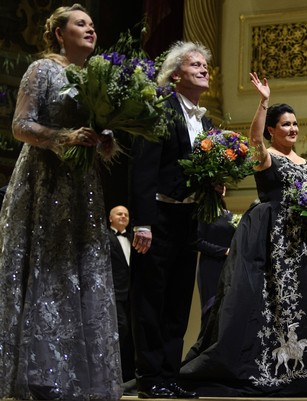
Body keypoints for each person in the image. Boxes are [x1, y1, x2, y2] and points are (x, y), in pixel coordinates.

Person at [179, 72, 307, 397]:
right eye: (285, 124)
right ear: (272, 129)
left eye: (295, 124)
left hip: (301, 240)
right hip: (273, 239)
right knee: (270, 301)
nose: (292, 129)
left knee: (300, 300)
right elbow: (253, 139)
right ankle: (266, 371)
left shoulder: (305, 162)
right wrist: (263, 102)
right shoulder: (267, 158)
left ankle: (303, 373)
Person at [0, 4, 122, 400]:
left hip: (82, 186)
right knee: (48, 266)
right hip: (45, 182)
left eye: (92, 24)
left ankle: (78, 376)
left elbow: (106, 144)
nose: (91, 29)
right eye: (81, 24)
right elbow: (21, 126)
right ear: (59, 33)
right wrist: (65, 137)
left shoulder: (95, 78)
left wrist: (104, 142)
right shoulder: (42, 70)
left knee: (82, 269)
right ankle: (41, 373)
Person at [129, 40, 213, 399]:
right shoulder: (160, 109)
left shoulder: (205, 118)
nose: (204, 69)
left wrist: (214, 184)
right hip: (159, 216)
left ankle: (169, 374)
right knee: (151, 299)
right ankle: (149, 378)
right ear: (176, 74)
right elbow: (144, 168)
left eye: (205, 65)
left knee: (179, 300)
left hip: (188, 218)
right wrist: (142, 222)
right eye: (195, 64)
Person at [194, 186, 236, 336]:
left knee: (228, 312)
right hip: (211, 267)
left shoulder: (231, 215)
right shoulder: (203, 213)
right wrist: (224, 251)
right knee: (212, 312)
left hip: (230, 267)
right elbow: (197, 241)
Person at [108, 205, 136, 391]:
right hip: (114, 291)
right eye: (120, 214)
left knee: (133, 334)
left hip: (133, 293)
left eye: (126, 214)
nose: (123, 216)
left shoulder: (134, 237)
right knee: (120, 328)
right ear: (111, 218)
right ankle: (111, 373)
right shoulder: (105, 237)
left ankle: (129, 377)